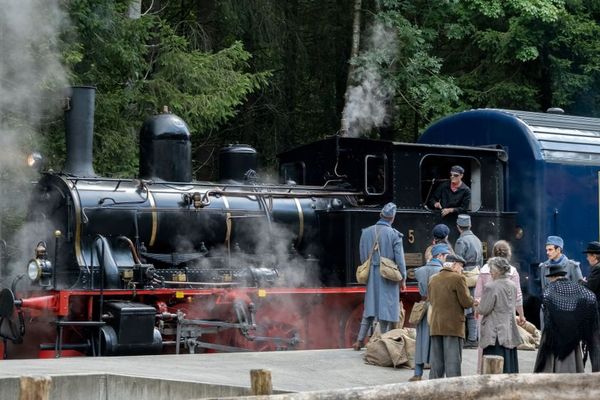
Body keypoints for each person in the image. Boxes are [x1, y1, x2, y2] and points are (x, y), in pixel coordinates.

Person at [352, 202, 407, 350]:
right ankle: (384, 344)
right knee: (386, 310)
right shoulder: (394, 234)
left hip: (372, 274)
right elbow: (400, 261)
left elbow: (363, 256)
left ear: (380, 215)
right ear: (392, 218)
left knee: (369, 308)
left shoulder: (366, 232)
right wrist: (403, 278)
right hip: (388, 276)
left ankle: (359, 341)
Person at [533, 264, 600, 373]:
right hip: (572, 330)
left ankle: (553, 373)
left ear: (552, 277)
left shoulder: (549, 290)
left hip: (555, 330)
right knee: (572, 353)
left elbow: (547, 312)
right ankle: (573, 371)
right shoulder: (576, 287)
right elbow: (590, 297)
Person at [475, 240, 525, 373]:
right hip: (508, 326)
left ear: (497, 271)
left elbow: (483, 308)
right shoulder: (512, 284)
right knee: (508, 360)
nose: (490, 272)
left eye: (492, 270)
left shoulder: (491, 286)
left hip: (494, 331)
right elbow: (518, 298)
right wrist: (521, 315)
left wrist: (478, 306)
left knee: (493, 360)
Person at [428, 253, 476, 378]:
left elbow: (431, 300)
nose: (462, 270)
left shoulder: (433, 278)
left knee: (436, 364)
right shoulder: (458, 279)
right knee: (452, 365)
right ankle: (453, 393)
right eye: (461, 266)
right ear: (454, 265)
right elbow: (466, 302)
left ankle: (433, 391)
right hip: (453, 326)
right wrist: (474, 300)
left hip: (436, 326)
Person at [409, 243, 451, 381]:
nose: (446, 259)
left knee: (421, 340)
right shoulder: (442, 271)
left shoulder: (420, 270)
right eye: (445, 256)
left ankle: (417, 373)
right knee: (436, 340)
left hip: (424, 307)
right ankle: (435, 373)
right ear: (439, 255)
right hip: (438, 308)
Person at [538, 235, 584, 328]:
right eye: (546, 250)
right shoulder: (544, 267)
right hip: (549, 312)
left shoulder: (572, 266)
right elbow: (544, 289)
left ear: (558, 249)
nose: (547, 252)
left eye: (550, 250)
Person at [454, 214, 483, 348]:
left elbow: (458, 261)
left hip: (465, 276)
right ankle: (473, 337)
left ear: (458, 227)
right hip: (476, 274)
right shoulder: (477, 239)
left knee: (464, 307)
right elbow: (481, 261)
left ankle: (469, 339)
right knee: (473, 307)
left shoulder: (461, 241)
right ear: (469, 225)